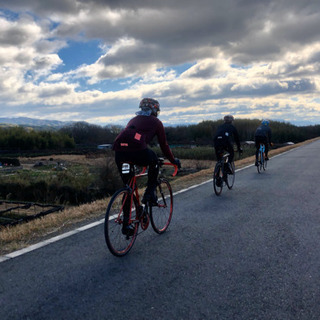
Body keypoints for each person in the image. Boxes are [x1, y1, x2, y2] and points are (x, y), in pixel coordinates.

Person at [113, 98, 180, 235]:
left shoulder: (133, 120)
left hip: (120, 153)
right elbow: (164, 145)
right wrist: (173, 160)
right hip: (138, 152)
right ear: (155, 110)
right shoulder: (156, 122)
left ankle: (126, 224)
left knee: (129, 188)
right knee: (154, 161)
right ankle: (149, 193)